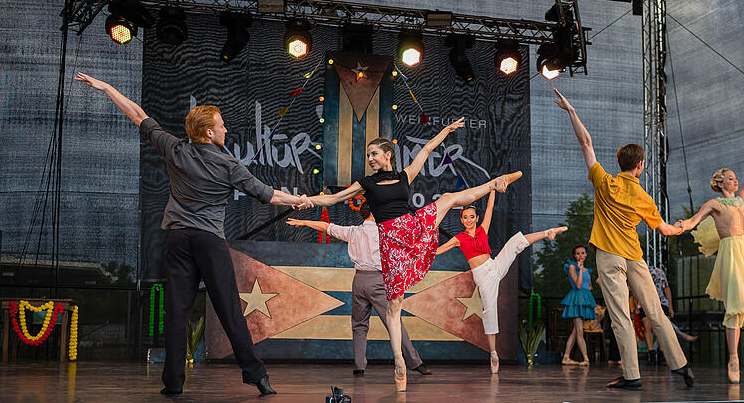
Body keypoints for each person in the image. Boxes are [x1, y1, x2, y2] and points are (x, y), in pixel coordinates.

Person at [76, 72, 313, 396]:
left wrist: (107, 88)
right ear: (208, 132)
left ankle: (173, 383)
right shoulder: (228, 164)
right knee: (229, 308)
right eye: (222, 124)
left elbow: (137, 115)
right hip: (208, 242)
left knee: (177, 312)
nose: (226, 129)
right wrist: (300, 201)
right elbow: (269, 195)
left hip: (178, 239)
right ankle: (257, 376)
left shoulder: (176, 150)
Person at [297, 117, 522, 391]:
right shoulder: (365, 182)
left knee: (449, 197)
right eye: (368, 155)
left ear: (387, 154)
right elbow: (332, 199)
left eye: (374, 154)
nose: (370, 158)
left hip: (410, 228)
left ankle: (494, 184)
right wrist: (307, 201)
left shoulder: (404, 175)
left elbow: (425, 151)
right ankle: (399, 361)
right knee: (394, 306)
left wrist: (446, 130)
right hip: (391, 241)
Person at [553, 88, 694, 389]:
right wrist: (682, 225)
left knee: (621, 317)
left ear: (620, 163)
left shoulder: (604, 182)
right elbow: (666, 230)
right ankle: (681, 365)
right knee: (654, 311)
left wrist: (572, 112)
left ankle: (632, 376)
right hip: (634, 257)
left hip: (610, 256)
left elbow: (586, 142)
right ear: (640, 166)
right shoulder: (644, 197)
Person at [285, 202, 432, 377]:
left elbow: (326, 227)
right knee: (394, 322)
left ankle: (359, 365)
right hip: (378, 280)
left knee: (359, 325)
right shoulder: (385, 231)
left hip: (359, 280)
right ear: (375, 213)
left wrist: (304, 222)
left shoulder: (354, 231)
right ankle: (415, 362)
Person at [435, 190, 567, 373]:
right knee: (489, 311)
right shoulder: (460, 238)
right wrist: (423, 251)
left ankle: (547, 232)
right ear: (462, 220)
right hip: (482, 276)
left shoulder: (482, 230)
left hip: (494, 266)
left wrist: (492, 188)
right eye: (465, 217)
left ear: (476, 218)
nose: (468, 220)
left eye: (471, 217)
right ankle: (493, 353)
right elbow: (440, 249)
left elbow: (490, 207)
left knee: (514, 243)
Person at [676, 131, 744, 383]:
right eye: (730, 178)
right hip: (732, 255)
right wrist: (679, 225)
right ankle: (734, 357)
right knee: (735, 308)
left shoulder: (743, 201)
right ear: (720, 183)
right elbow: (694, 221)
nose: (735, 180)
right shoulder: (714, 204)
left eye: (735, 178)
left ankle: (734, 357)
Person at [560, 245, 596, 366]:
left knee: (576, 331)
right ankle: (586, 359)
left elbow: (589, 287)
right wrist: (579, 270)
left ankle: (566, 357)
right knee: (579, 331)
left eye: (582, 253)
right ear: (575, 255)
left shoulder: (587, 270)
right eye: (577, 253)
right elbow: (578, 285)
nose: (580, 255)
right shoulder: (572, 267)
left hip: (584, 300)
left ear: (586, 255)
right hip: (576, 300)